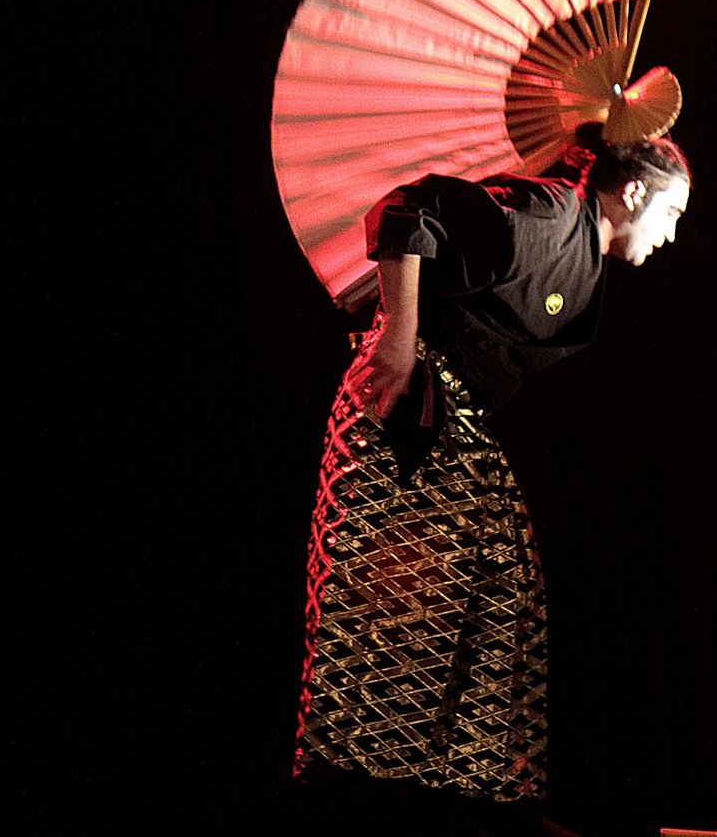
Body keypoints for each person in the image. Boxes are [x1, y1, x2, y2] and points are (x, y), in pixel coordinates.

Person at [293, 128, 691, 836]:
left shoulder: (582, 251)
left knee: (497, 591)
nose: (671, 235)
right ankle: (380, 803)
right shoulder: (547, 217)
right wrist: (398, 333)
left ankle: (478, 803)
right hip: (405, 404)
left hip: (453, 419)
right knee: (391, 613)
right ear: (634, 193)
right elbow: (407, 212)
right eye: (673, 214)